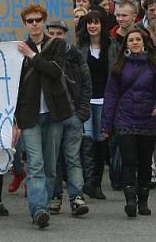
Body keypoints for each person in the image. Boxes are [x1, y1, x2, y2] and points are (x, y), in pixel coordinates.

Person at [102, 28, 156, 218]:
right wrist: (106, 125)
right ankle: (130, 199)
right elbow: (111, 96)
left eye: (137, 39)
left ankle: (144, 200)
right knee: (129, 160)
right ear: (126, 45)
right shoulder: (119, 66)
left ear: (143, 42)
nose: (134, 42)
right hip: (125, 118)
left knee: (144, 162)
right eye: (130, 40)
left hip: (148, 118)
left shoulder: (154, 66)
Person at [15, 4, 72, 229]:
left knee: (50, 166)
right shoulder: (18, 48)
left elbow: (56, 71)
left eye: (38, 19)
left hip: (54, 113)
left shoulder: (57, 44)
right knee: (36, 164)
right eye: (30, 21)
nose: (35, 24)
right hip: (29, 115)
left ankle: (44, 207)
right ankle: (38, 209)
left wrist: (32, 57)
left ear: (44, 20)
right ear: (25, 24)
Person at [45, 22, 90, 217]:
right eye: (52, 33)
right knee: (53, 161)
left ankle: (76, 198)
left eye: (59, 33)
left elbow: (87, 84)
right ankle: (55, 196)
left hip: (72, 115)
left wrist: (81, 114)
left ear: (66, 35)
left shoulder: (75, 55)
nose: (55, 37)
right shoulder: (43, 56)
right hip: (53, 116)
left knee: (73, 159)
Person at [76, 10, 118, 200]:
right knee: (86, 142)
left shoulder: (112, 47)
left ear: (102, 25)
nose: (92, 26)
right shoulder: (79, 47)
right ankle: (88, 182)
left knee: (101, 142)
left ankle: (97, 183)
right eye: (89, 23)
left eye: (96, 23)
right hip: (85, 101)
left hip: (104, 100)